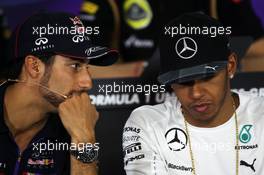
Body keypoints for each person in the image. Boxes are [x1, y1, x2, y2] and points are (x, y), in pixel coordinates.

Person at [123, 12, 264, 175]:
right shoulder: (148, 124)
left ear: (230, 65)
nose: (196, 93)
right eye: (183, 82)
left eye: (206, 77)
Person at [0, 12, 118, 175]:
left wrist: (83, 140)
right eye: (75, 66)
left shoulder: (74, 126)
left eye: (87, 67)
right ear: (34, 66)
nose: (88, 82)